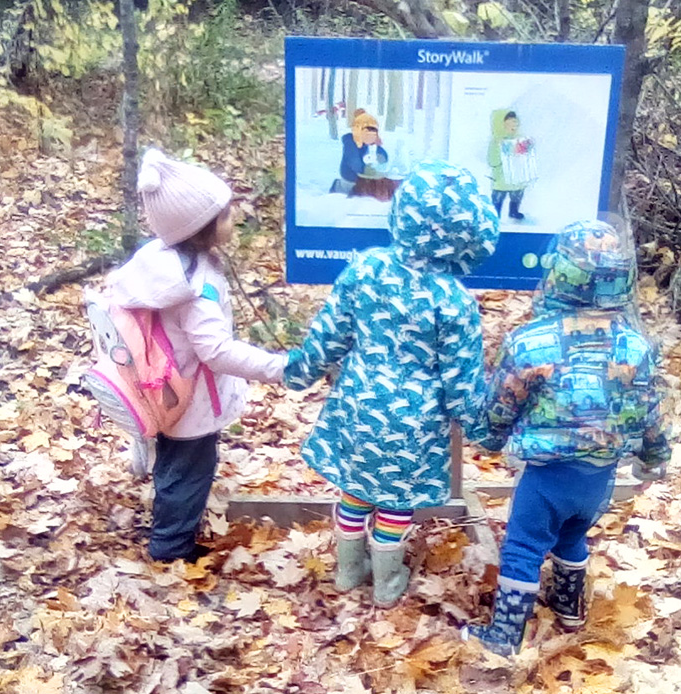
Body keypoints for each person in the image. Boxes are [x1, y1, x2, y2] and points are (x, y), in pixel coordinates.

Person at [285, 160, 499, 607]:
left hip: (357, 406)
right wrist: (486, 429)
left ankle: (347, 571)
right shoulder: (453, 300)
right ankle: (386, 583)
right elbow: (463, 383)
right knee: (395, 502)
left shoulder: (365, 268)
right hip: (414, 423)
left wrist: (299, 371)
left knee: (356, 489)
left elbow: (329, 334)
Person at [462, 219, 670, 656]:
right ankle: (569, 607)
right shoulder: (636, 346)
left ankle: (503, 637)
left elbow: (503, 401)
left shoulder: (531, 342)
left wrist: (489, 438)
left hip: (547, 475)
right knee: (572, 537)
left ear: (558, 273)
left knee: (523, 546)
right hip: (600, 478)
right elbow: (651, 409)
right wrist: (654, 456)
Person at [104, 148, 287, 563]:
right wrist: (279, 367)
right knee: (189, 473)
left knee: (178, 465)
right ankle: (171, 549)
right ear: (200, 228)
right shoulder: (195, 287)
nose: (233, 220)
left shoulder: (161, 260)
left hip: (167, 386)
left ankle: (173, 532)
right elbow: (216, 350)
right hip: (190, 396)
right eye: (224, 216)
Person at [331, 109, 394, 200]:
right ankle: (338, 187)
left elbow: (383, 157)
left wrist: (379, 159)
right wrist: (365, 169)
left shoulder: (371, 143)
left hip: (369, 179)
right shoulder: (351, 142)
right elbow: (353, 161)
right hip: (352, 179)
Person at [487, 110, 534, 220]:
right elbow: (492, 160)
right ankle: (496, 213)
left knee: (517, 194)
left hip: (516, 176)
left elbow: (524, 156)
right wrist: (503, 155)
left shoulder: (519, 139)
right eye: (510, 123)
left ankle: (514, 211)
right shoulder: (496, 142)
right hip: (501, 176)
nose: (513, 126)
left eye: (515, 123)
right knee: (498, 196)